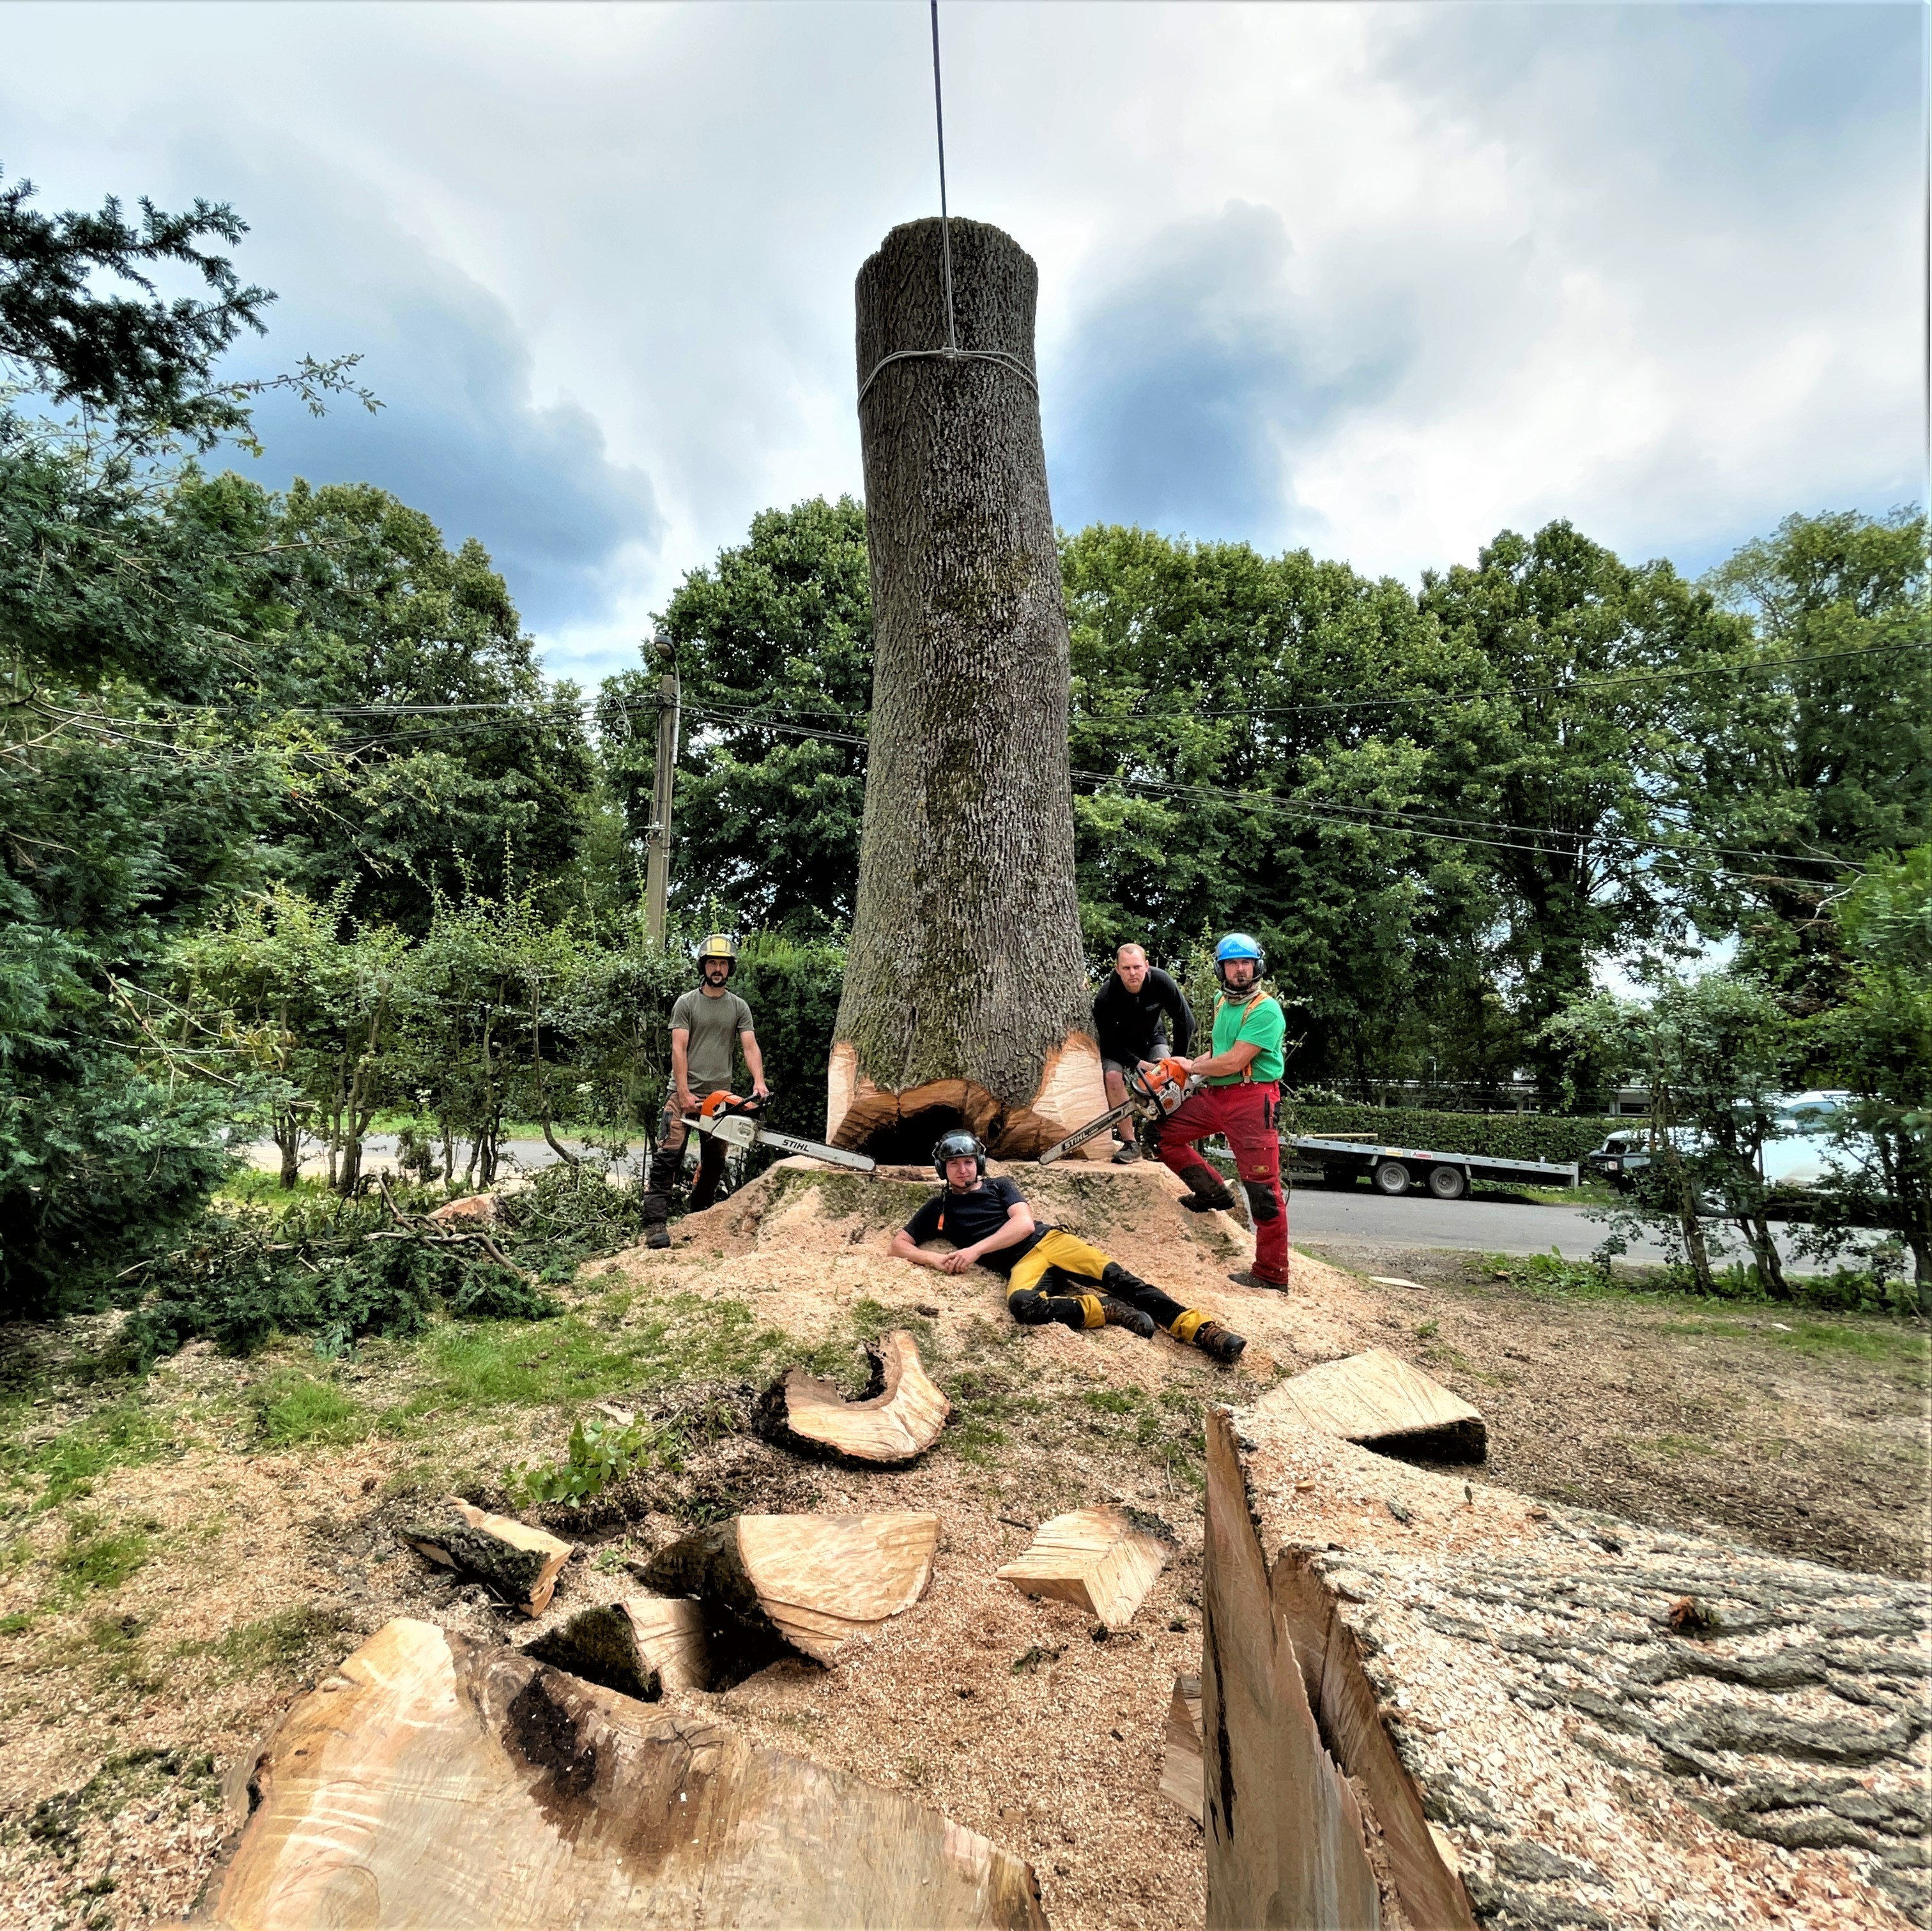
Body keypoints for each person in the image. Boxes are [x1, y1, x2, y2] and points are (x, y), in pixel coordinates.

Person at [889, 1129, 1246, 1363]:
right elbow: (899, 1245)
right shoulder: (939, 1206)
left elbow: (1023, 1223)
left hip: (1050, 1241)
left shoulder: (1000, 1185)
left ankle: (1203, 1331)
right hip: (1021, 1266)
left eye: (968, 1162)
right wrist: (934, 1259)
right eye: (955, 1164)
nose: (963, 1171)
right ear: (943, 1168)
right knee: (1023, 1306)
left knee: (1124, 1281)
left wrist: (975, 1250)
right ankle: (1103, 1310)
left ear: (978, 1162)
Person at [1149, 933, 1290, 1290]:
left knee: (1263, 1190)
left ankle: (1272, 1274)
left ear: (1255, 966)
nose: (1239, 970)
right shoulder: (1221, 1001)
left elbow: (1237, 1059)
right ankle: (1213, 1193)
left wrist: (1190, 1069)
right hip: (1218, 1094)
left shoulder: (1265, 1009)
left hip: (1253, 1101)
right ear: (1221, 969)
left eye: (1244, 963)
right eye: (1231, 964)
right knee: (1162, 1136)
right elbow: (1218, 1052)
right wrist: (1188, 1067)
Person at [640, 933, 768, 1248]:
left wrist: (759, 1082)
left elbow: (750, 1047)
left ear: (730, 969)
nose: (717, 969)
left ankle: (698, 1212)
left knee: (714, 1163)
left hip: (719, 1099)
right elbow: (679, 1048)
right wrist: (683, 1092)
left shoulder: (739, 1007)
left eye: (723, 963)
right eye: (712, 962)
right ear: (703, 965)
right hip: (682, 1093)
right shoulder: (687, 1003)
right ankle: (655, 1223)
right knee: (667, 1158)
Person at [1091, 943, 1195, 1163]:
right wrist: (1139, 1064)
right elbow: (1108, 1043)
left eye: (1137, 967)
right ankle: (1130, 1144)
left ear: (1146, 966)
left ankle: (1157, 1139)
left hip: (1152, 1038)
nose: (1132, 973)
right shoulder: (1106, 997)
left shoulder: (1161, 981)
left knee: (1169, 1079)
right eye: (1126, 968)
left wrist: (1177, 1062)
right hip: (1119, 1047)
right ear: (1118, 969)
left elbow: (1185, 1021)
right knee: (1112, 1076)